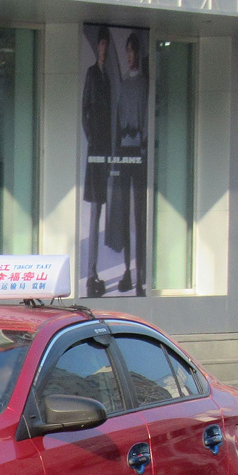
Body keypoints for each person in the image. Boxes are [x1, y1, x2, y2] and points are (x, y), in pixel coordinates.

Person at [109, 32, 148, 295]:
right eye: (128, 51)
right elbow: (118, 115)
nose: (130, 55)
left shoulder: (144, 84)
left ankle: (141, 274)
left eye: (133, 51)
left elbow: (145, 116)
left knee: (139, 215)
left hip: (140, 152)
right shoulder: (123, 83)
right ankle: (126, 270)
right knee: (124, 213)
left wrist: (141, 137)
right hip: (124, 150)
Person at [81, 26, 114, 297]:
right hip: (96, 151)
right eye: (100, 44)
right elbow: (85, 110)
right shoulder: (93, 74)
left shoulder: (108, 78)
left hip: (106, 151)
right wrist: (93, 140)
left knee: (104, 209)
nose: (103, 48)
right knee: (94, 212)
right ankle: (91, 271)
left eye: (106, 44)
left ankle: (96, 271)